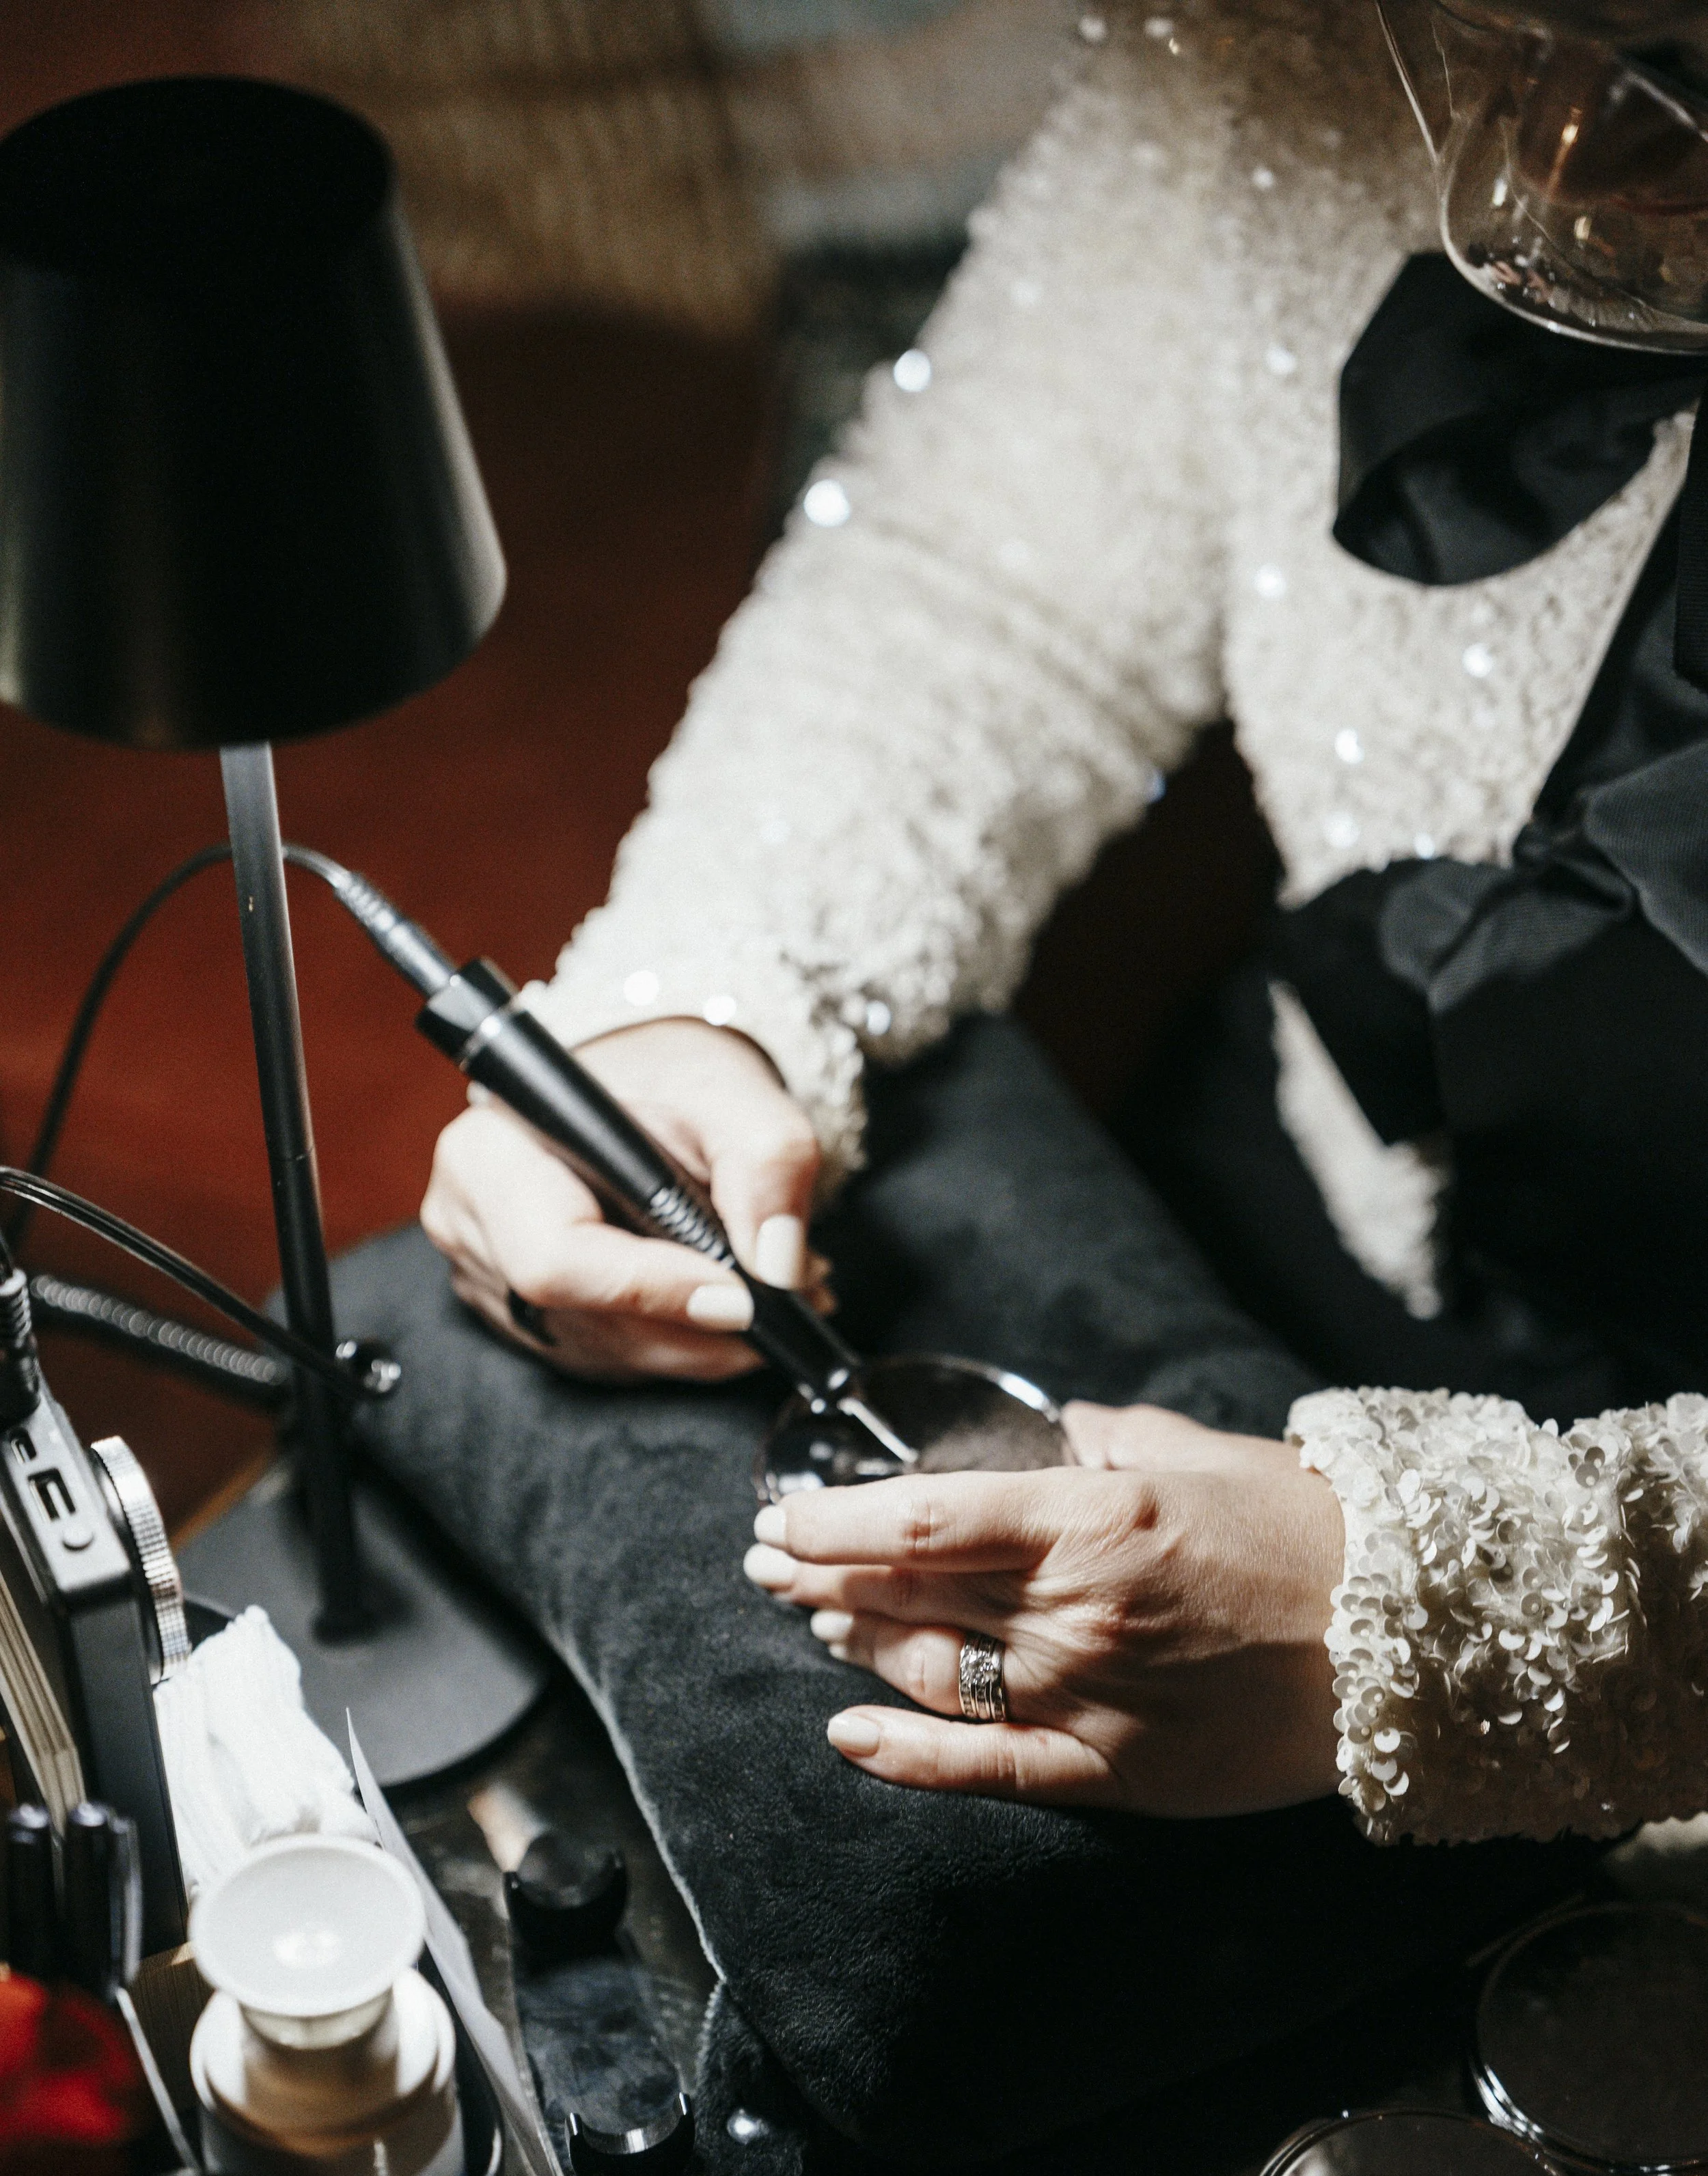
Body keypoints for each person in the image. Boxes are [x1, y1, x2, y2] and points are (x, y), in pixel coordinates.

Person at [421, 0, 1708, 1853]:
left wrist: (1456, 1615)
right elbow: (990, 583)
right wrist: (706, 997)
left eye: (1667, 55)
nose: (1555, 170)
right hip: (1253, 1220)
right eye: (1492, 35)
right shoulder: (1298, 44)